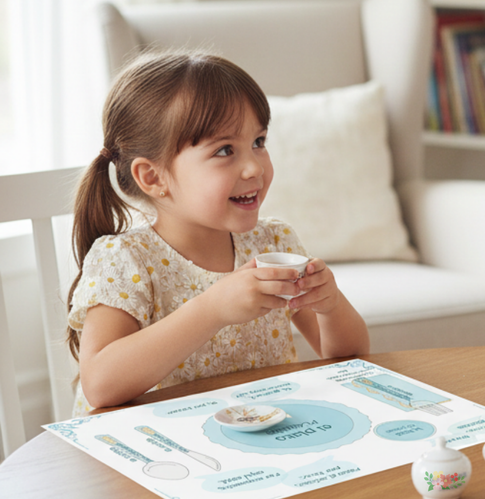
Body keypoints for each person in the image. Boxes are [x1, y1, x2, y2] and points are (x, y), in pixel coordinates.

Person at [66, 52, 370, 415]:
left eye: (258, 142)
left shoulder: (274, 242)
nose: (253, 167)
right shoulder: (126, 260)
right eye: (225, 150)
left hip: (258, 444)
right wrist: (212, 309)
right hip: (164, 454)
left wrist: (330, 305)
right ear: (153, 177)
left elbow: (350, 360)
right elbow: (100, 384)